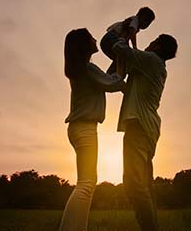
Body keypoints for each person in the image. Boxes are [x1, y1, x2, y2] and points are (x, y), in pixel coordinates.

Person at [60, 28, 125, 231]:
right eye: (91, 38)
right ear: (84, 45)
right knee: (86, 184)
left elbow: (106, 78)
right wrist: (124, 59)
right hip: (85, 130)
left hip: (78, 129)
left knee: (86, 183)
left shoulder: (84, 70)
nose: (96, 39)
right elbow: (113, 83)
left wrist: (118, 64)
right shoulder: (88, 69)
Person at [112, 34, 178, 231]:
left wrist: (125, 33)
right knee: (145, 187)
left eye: (153, 40)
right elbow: (124, 81)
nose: (148, 43)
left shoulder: (150, 60)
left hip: (139, 127)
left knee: (134, 185)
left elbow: (118, 47)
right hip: (147, 128)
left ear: (157, 46)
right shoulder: (151, 66)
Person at [100, 6, 155, 74]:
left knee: (121, 59)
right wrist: (134, 47)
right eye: (145, 20)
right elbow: (132, 31)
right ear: (139, 16)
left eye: (148, 23)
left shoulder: (135, 27)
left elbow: (126, 40)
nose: (146, 24)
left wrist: (128, 48)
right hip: (111, 37)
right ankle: (112, 74)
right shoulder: (135, 19)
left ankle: (111, 74)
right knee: (125, 57)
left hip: (108, 42)